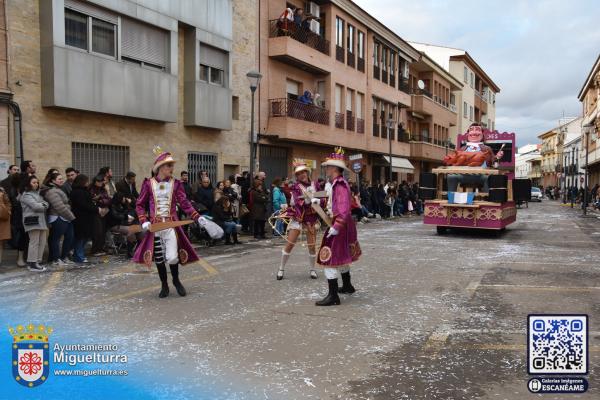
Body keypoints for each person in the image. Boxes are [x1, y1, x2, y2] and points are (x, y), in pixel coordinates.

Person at [133, 146, 205, 298]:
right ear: (160, 167)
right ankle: (164, 285)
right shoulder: (148, 183)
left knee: (172, 257)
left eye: (172, 165)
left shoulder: (177, 184)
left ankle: (176, 281)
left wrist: (197, 216)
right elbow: (139, 204)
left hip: (171, 225)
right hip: (156, 226)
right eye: (169, 165)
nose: (172, 168)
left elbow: (184, 203)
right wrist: (144, 220)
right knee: (159, 258)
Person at [316, 148, 361, 306]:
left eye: (328, 167)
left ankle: (333, 296)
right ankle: (347, 286)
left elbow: (342, 210)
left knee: (330, 258)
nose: (326, 169)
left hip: (339, 225)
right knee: (341, 255)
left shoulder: (340, 185)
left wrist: (335, 227)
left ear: (334, 168)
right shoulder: (338, 184)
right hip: (343, 225)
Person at [277, 162, 324, 280]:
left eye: (303, 172)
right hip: (299, 217)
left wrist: (319, 201)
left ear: (307, 172)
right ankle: (281, 268)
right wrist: (308, 201)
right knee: (290, 244)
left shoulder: (315, 184)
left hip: (311, 218)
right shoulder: (296, 187)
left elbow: (323, 197)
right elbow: (297, 203)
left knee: (312, 246)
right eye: (298, 174)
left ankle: (312, 269)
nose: (302, 175)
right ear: (296, 176)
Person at [445, 123, 504, 193]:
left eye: (477, 130)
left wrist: (497, 157)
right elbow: (456, 160)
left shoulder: (487, 149)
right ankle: (451, 197)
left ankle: (488, 198)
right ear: (467, 134)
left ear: (482, 134)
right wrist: (450, 159)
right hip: (464, 175)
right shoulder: (463, 148)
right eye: (471, 130)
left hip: (481, 176)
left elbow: (493, 162)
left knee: (488, 178)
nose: (474, 132)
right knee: (451, 177)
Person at [41, 172, 75, 267]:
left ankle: (64, 257)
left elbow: (64, 205)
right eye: (59, 179)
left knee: (70, 237)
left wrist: (67, 208)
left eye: (61, 178)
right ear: (52, 181)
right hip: (58, 217)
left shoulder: (58, 189)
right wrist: (71, 216)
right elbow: (59, 207)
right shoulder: (51, 191)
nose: (61, 180)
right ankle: (56, 259)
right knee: (56, 239)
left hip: (65, 217)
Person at [19, 175, 49, 272]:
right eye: (33, 182)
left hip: (41, 221)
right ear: (28, 184)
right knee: (34, 242)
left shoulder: (37, 194)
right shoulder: (26, 195)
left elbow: (46, 204)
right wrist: (43, 204)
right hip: (32, 221)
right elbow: (36, 207)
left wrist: (42, 204)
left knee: (42, 242)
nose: (36, 184)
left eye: (37, 182)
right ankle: (32, 263)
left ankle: (37, 261)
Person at [70, 174, 98, 265]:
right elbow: (83, 204)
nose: (88, 182)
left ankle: (78, 255)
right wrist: (95, 208)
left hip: (86, 218)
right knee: (80, 238)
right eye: (86, 181)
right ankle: (79, 257)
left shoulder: (83, 191)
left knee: (84, 237)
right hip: (80, 218)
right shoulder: (77, 192)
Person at [89, 174, 111, 256]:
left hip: (104, 211)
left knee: (103, 231)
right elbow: (92, 200)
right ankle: (95, 250)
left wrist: (101, 199)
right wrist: (101, 199)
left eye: (101, 181)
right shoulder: (91, 189)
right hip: (96, 212)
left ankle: (100, 248)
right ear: (95, 181)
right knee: (97, 231)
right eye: (98, 181)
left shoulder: (103, 189)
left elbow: (108, 200)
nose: (100, 183)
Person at [0, 186, 11, 265]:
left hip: (1, 221)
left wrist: (8, 211)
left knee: (0, 244)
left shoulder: (2, 191)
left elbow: (8, 203)